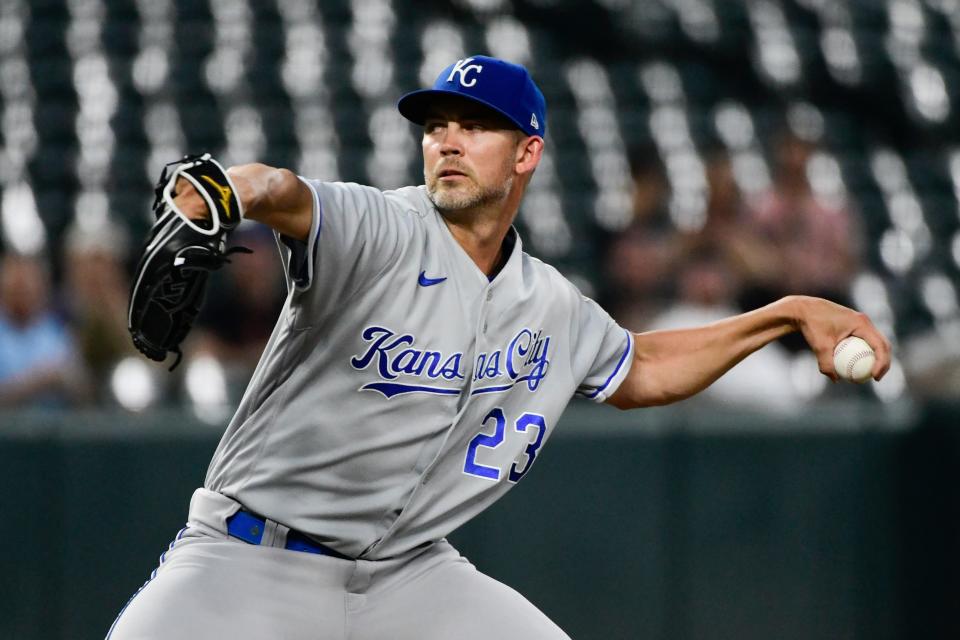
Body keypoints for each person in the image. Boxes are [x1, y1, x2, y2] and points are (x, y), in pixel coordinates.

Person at [106, 56, 891, 640]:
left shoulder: (547, 302)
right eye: (437, 125)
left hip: (405, 576)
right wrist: (227, 194)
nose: (447, 140)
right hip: (248, 559)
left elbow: (641, 366)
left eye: (475, 125)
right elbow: (282, 190)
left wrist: (782, 315)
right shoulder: (382, 227)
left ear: (527, 154)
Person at [0, 252, 87, 408]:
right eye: (16, 288)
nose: (22, 294)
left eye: (27, 288)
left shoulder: (59, 332)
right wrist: (38, 381)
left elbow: (84, 392)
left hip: (57, 428)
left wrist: (67, 380)